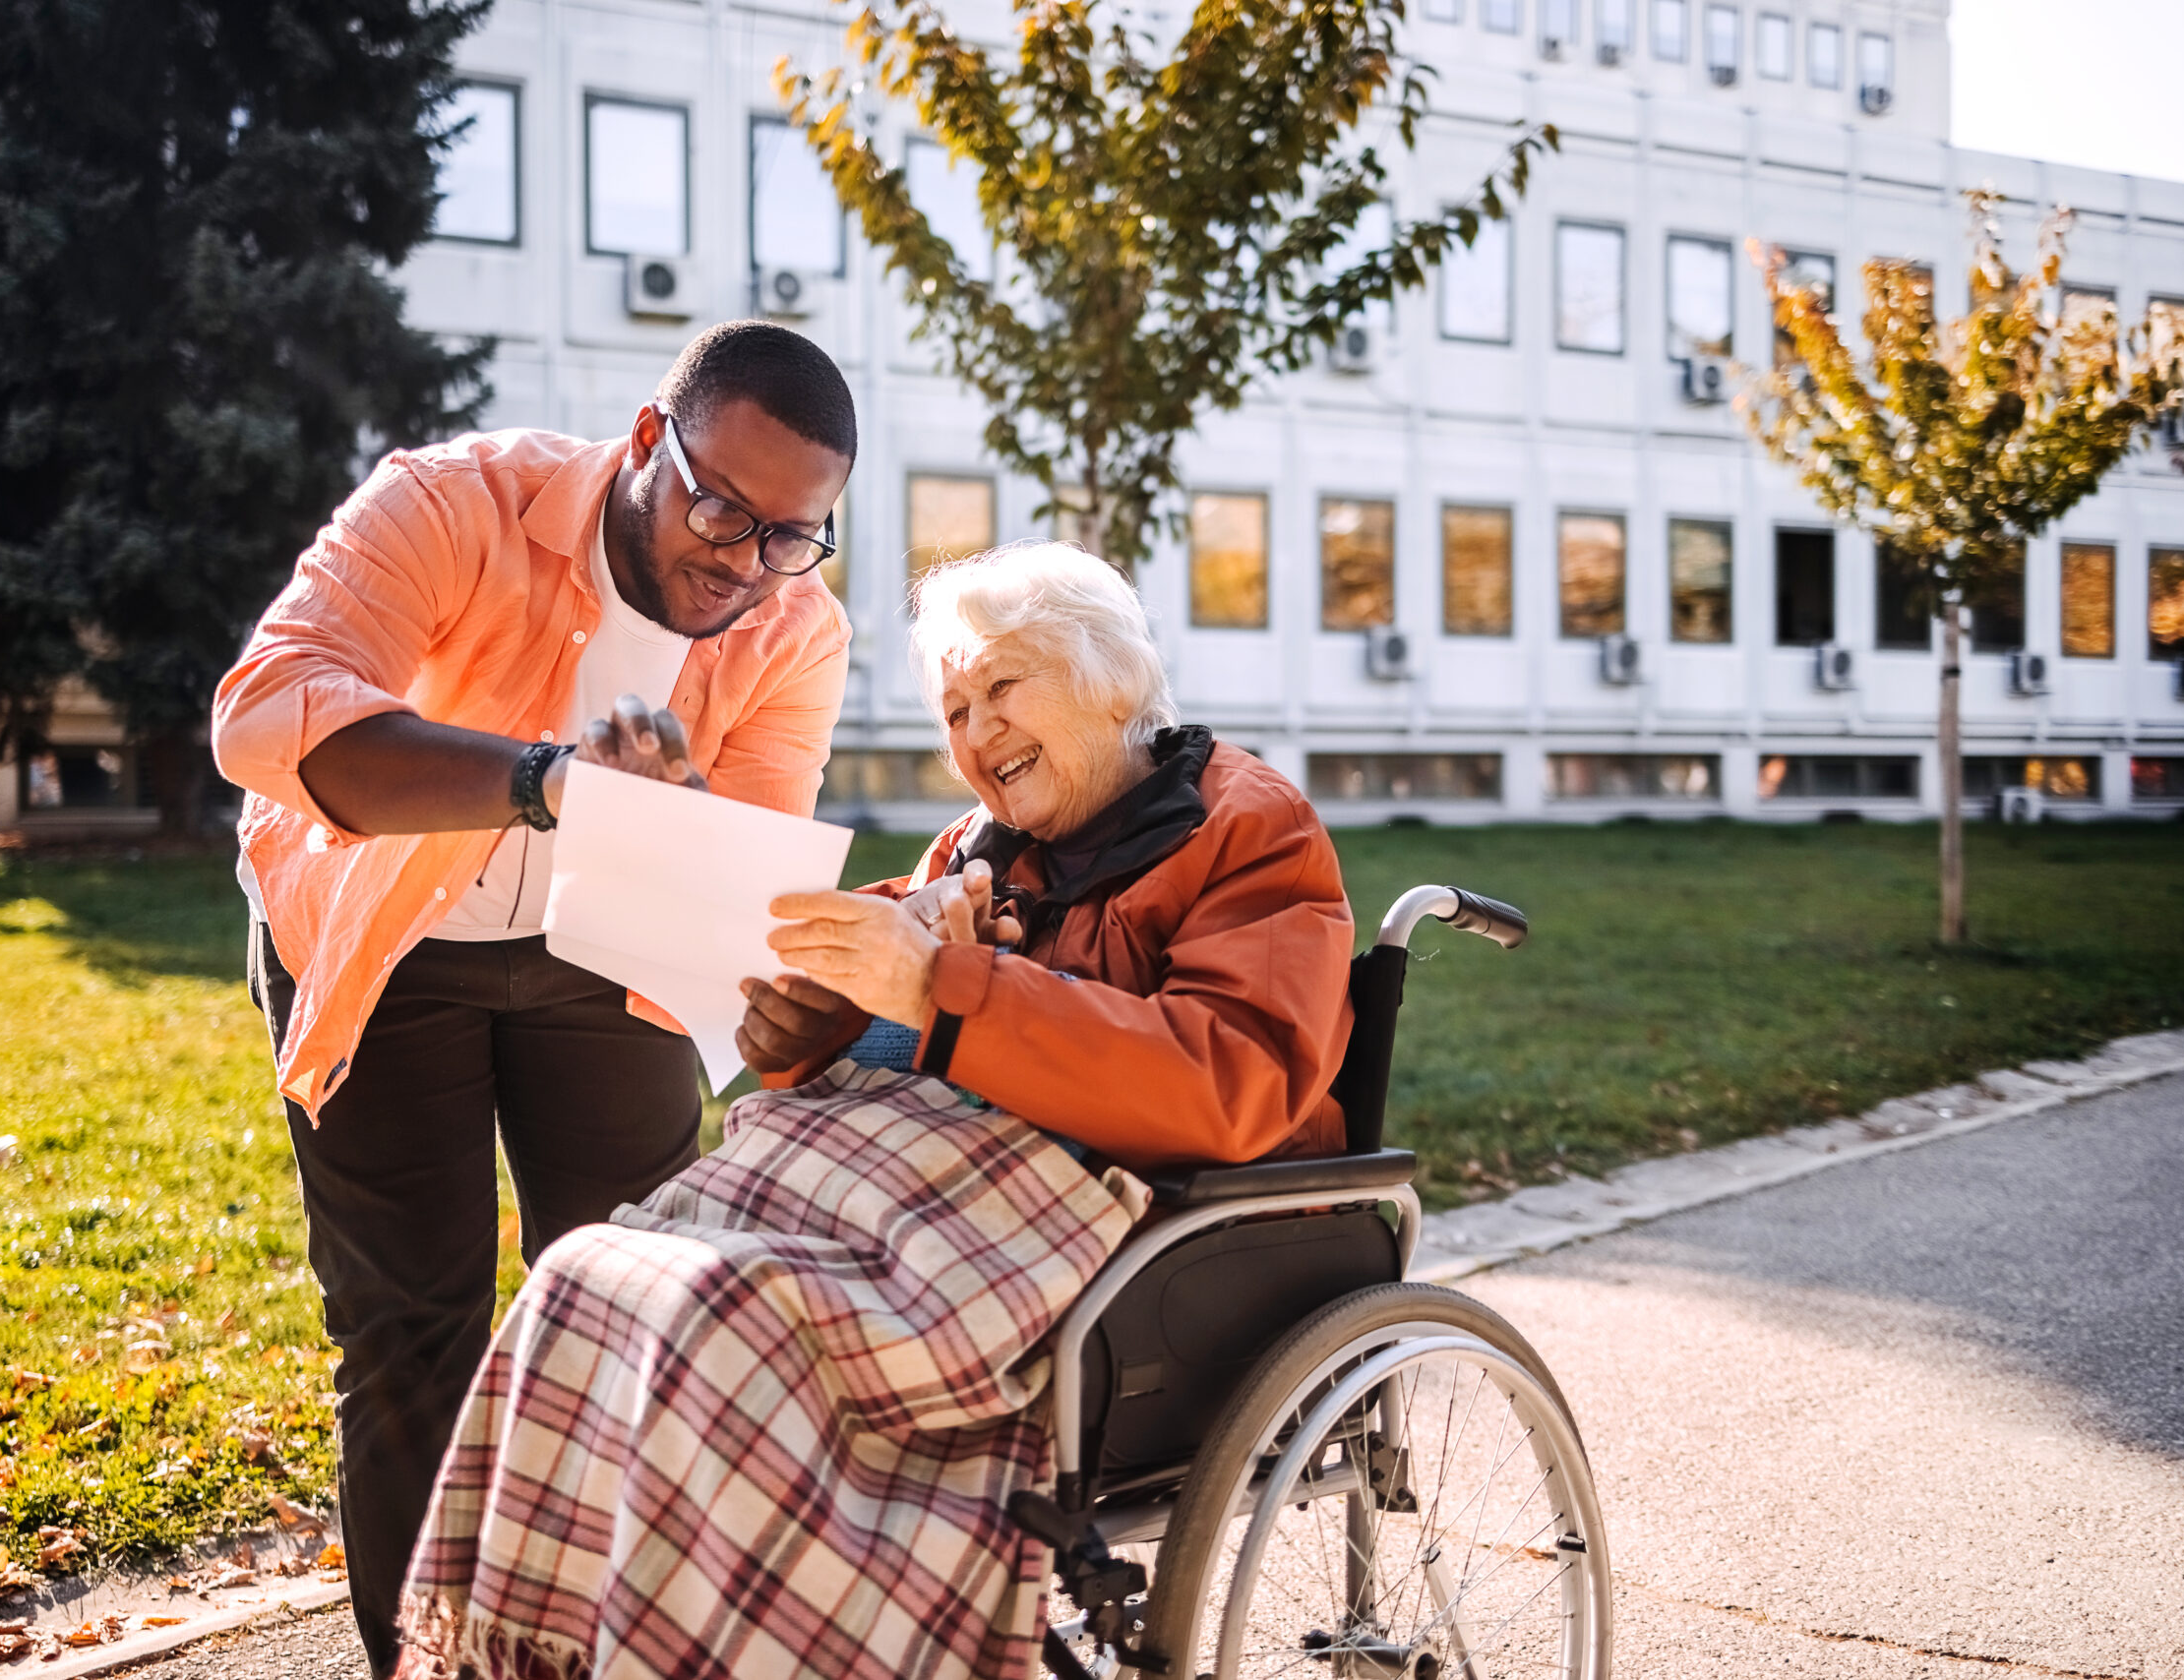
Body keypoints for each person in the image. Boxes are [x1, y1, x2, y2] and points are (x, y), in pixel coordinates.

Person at [394, 542, 1356, 1680]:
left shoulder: (1243, 822)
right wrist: (796, 1020)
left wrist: (949, 990)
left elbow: (1229, 1082)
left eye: (1001, 688)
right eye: (954, 708)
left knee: (721, 1316)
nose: (975, 731)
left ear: (1106, 675)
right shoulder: (972, 851)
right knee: (585, 1274)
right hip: (917, 1192)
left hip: (1130, 1222)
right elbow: (860, 1006)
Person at [210, 321, 858, 1679]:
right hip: (389, 936)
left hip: (605, 964)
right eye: (719, 508)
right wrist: (547, 781)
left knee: (636, 1316)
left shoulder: (794, 624)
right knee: (409, 1339)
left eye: (788, 534)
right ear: (642, 445)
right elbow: (264, 713)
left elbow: (741, 864)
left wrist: (677, 820)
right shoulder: (453, 503)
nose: (743, 563)